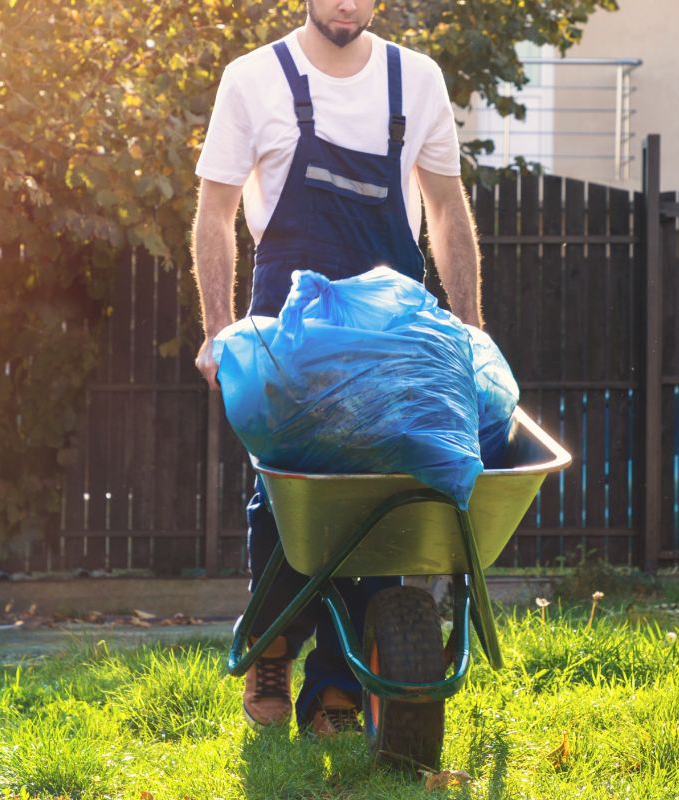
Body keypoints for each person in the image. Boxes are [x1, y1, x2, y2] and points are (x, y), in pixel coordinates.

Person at [190, 0, 483, 737]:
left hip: (393, 339)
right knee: (286, 498)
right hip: (290, 330)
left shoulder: (414, 80)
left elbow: (445, 209)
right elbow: (215, 210)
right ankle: (274, 643)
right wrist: (217, 331)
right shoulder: (253, 79)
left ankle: (337, 688)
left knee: (381, 495)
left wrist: (471, 330)